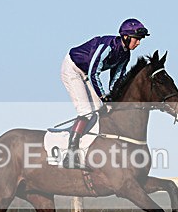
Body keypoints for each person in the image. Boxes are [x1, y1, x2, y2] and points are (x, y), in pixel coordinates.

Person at [59, 18, 150, 168]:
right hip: (72, 70)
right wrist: (103, 96)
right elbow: (94, 72)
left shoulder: (125, 55)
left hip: (85, 74)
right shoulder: (107, 46)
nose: (138, 43)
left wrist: (113, 99)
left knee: (101, 110)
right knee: (86, 112)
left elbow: (116, 79)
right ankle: (70, 154)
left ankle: (89, 147)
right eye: (137, 39)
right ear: (126, 37)